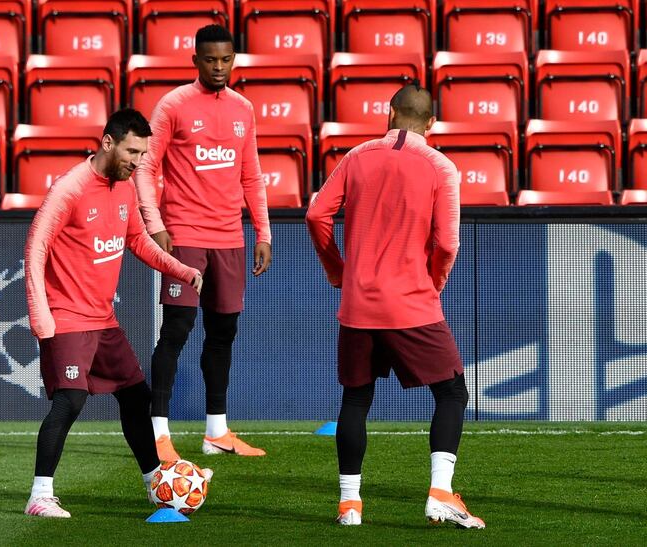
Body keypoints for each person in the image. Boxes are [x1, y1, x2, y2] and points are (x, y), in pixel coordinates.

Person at [305, 83, 485, 529]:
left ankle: (350, 505)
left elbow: (315, 214)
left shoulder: (356, 156)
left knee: (356, 398)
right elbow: (447, 241)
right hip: (411, 302)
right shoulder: (441, 167)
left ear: (389, 112)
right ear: (431, 124)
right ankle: (441, 494)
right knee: (451, 392)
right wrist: (433, 284)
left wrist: (337, 270)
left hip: (359, 300)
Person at [23, 108, 205, 518]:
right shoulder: (69, 189)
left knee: (135, 397)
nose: (137, 161)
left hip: (102, 319)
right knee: (70, 400)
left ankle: (155, 484)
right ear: (108, 142)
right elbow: (35, 249)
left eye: (142, 154)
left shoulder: (124, 187)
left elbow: (138, 240)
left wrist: (181, 269)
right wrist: (41, 315)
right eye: (131, 151)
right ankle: (39, 496)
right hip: (66, 316)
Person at [134, 24, 271, 460]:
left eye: (225, 59)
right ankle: (157, 434)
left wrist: (262, 232)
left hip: (230, 237)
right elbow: (144, 165)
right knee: (176, 330)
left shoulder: (243, 109)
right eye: (210, 60)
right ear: (196, 60)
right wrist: (154, 223)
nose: (218, 67)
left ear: (234, 60)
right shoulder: (173, 105)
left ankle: (216, 432)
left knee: (223, 333)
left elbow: (251, 174)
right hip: (185, 235)